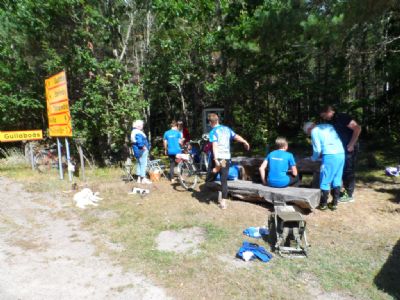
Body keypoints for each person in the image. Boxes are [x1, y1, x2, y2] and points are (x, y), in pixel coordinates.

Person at [206, 113, 250, 209]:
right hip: (226, 158)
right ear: (218, 120)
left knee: (209, 179)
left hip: (218, 158)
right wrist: (244, 141)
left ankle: (217, 191)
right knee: (223, 179)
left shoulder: (213, 132)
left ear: (210, 122)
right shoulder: (226, 129)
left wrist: (216, 159)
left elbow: (215, 145)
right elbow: (236, 136)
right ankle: (223, 202)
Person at [320, 105, 361, 202]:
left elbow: (357, 128)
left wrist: (351, 144)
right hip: (340, 149)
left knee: (348, 170)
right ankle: (343, 192)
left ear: (329, 111)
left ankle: (349, 195)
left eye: (324, 116)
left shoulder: (342, 117)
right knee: (341, 170)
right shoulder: (332, 121)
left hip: (350, 147)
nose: (324, 118)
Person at [304, 121, 345, 210]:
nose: (310, 135)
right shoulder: (328, 126)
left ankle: (323, 204)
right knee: (337, 178)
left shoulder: (314, 131)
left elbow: (317, 150)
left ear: (309, 129)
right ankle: (334, 203)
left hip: (330, 155)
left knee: (325, 180)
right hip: (341, 153)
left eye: (308, 133)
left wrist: (312, 158)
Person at [131, 120, 152, 184]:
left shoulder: (133, 131)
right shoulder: (138, 132)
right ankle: (143, 179)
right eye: (142, 125)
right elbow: (139, 141)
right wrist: (143, 147)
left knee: (139, 164)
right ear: (138, 126)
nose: (143, 126)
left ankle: (139, 179)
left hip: (137, 151)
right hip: (141, 151)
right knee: (143, 165)